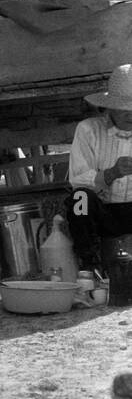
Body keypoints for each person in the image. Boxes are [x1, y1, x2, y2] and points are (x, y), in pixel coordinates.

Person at [65, 65, 132, 268]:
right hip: (104, 212)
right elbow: (77, 181)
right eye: (124, 107)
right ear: (110, 106)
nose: (130, 114)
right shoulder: (88, 130)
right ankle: (89, 264)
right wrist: (111, 174)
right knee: (80, 199)